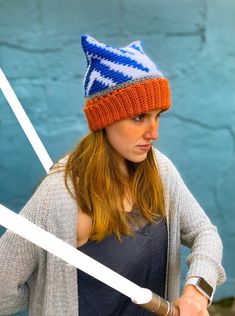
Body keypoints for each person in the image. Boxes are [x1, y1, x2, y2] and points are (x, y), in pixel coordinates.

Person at [0, 35, 226, 316]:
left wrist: (197, 291)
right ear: (105, 120)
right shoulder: (61, 196)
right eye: (139, 117)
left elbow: (204, 233)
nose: (153, 133)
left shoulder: (160, 170)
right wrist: (47, 290)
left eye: (158, 116)